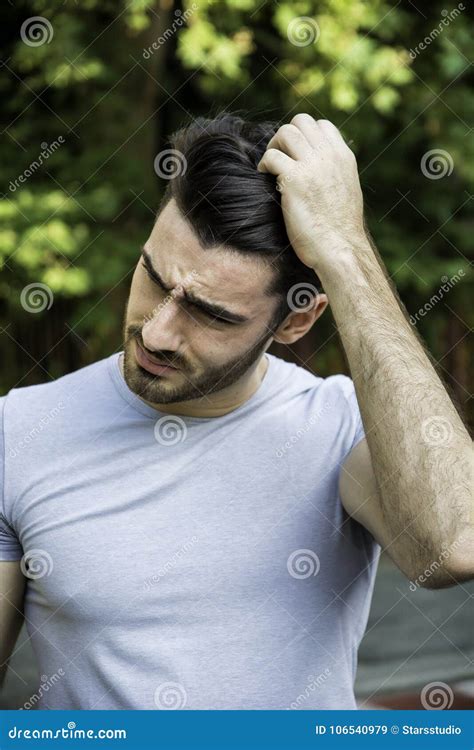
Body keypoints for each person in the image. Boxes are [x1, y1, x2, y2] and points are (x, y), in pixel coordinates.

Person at [1, 112, 472, 710]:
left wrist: (345, 251)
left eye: (212, 314)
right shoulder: (19, 431)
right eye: (152, 276)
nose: (158, 333)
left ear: (297, 320)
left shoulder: (340, 427)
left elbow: (455, 546)